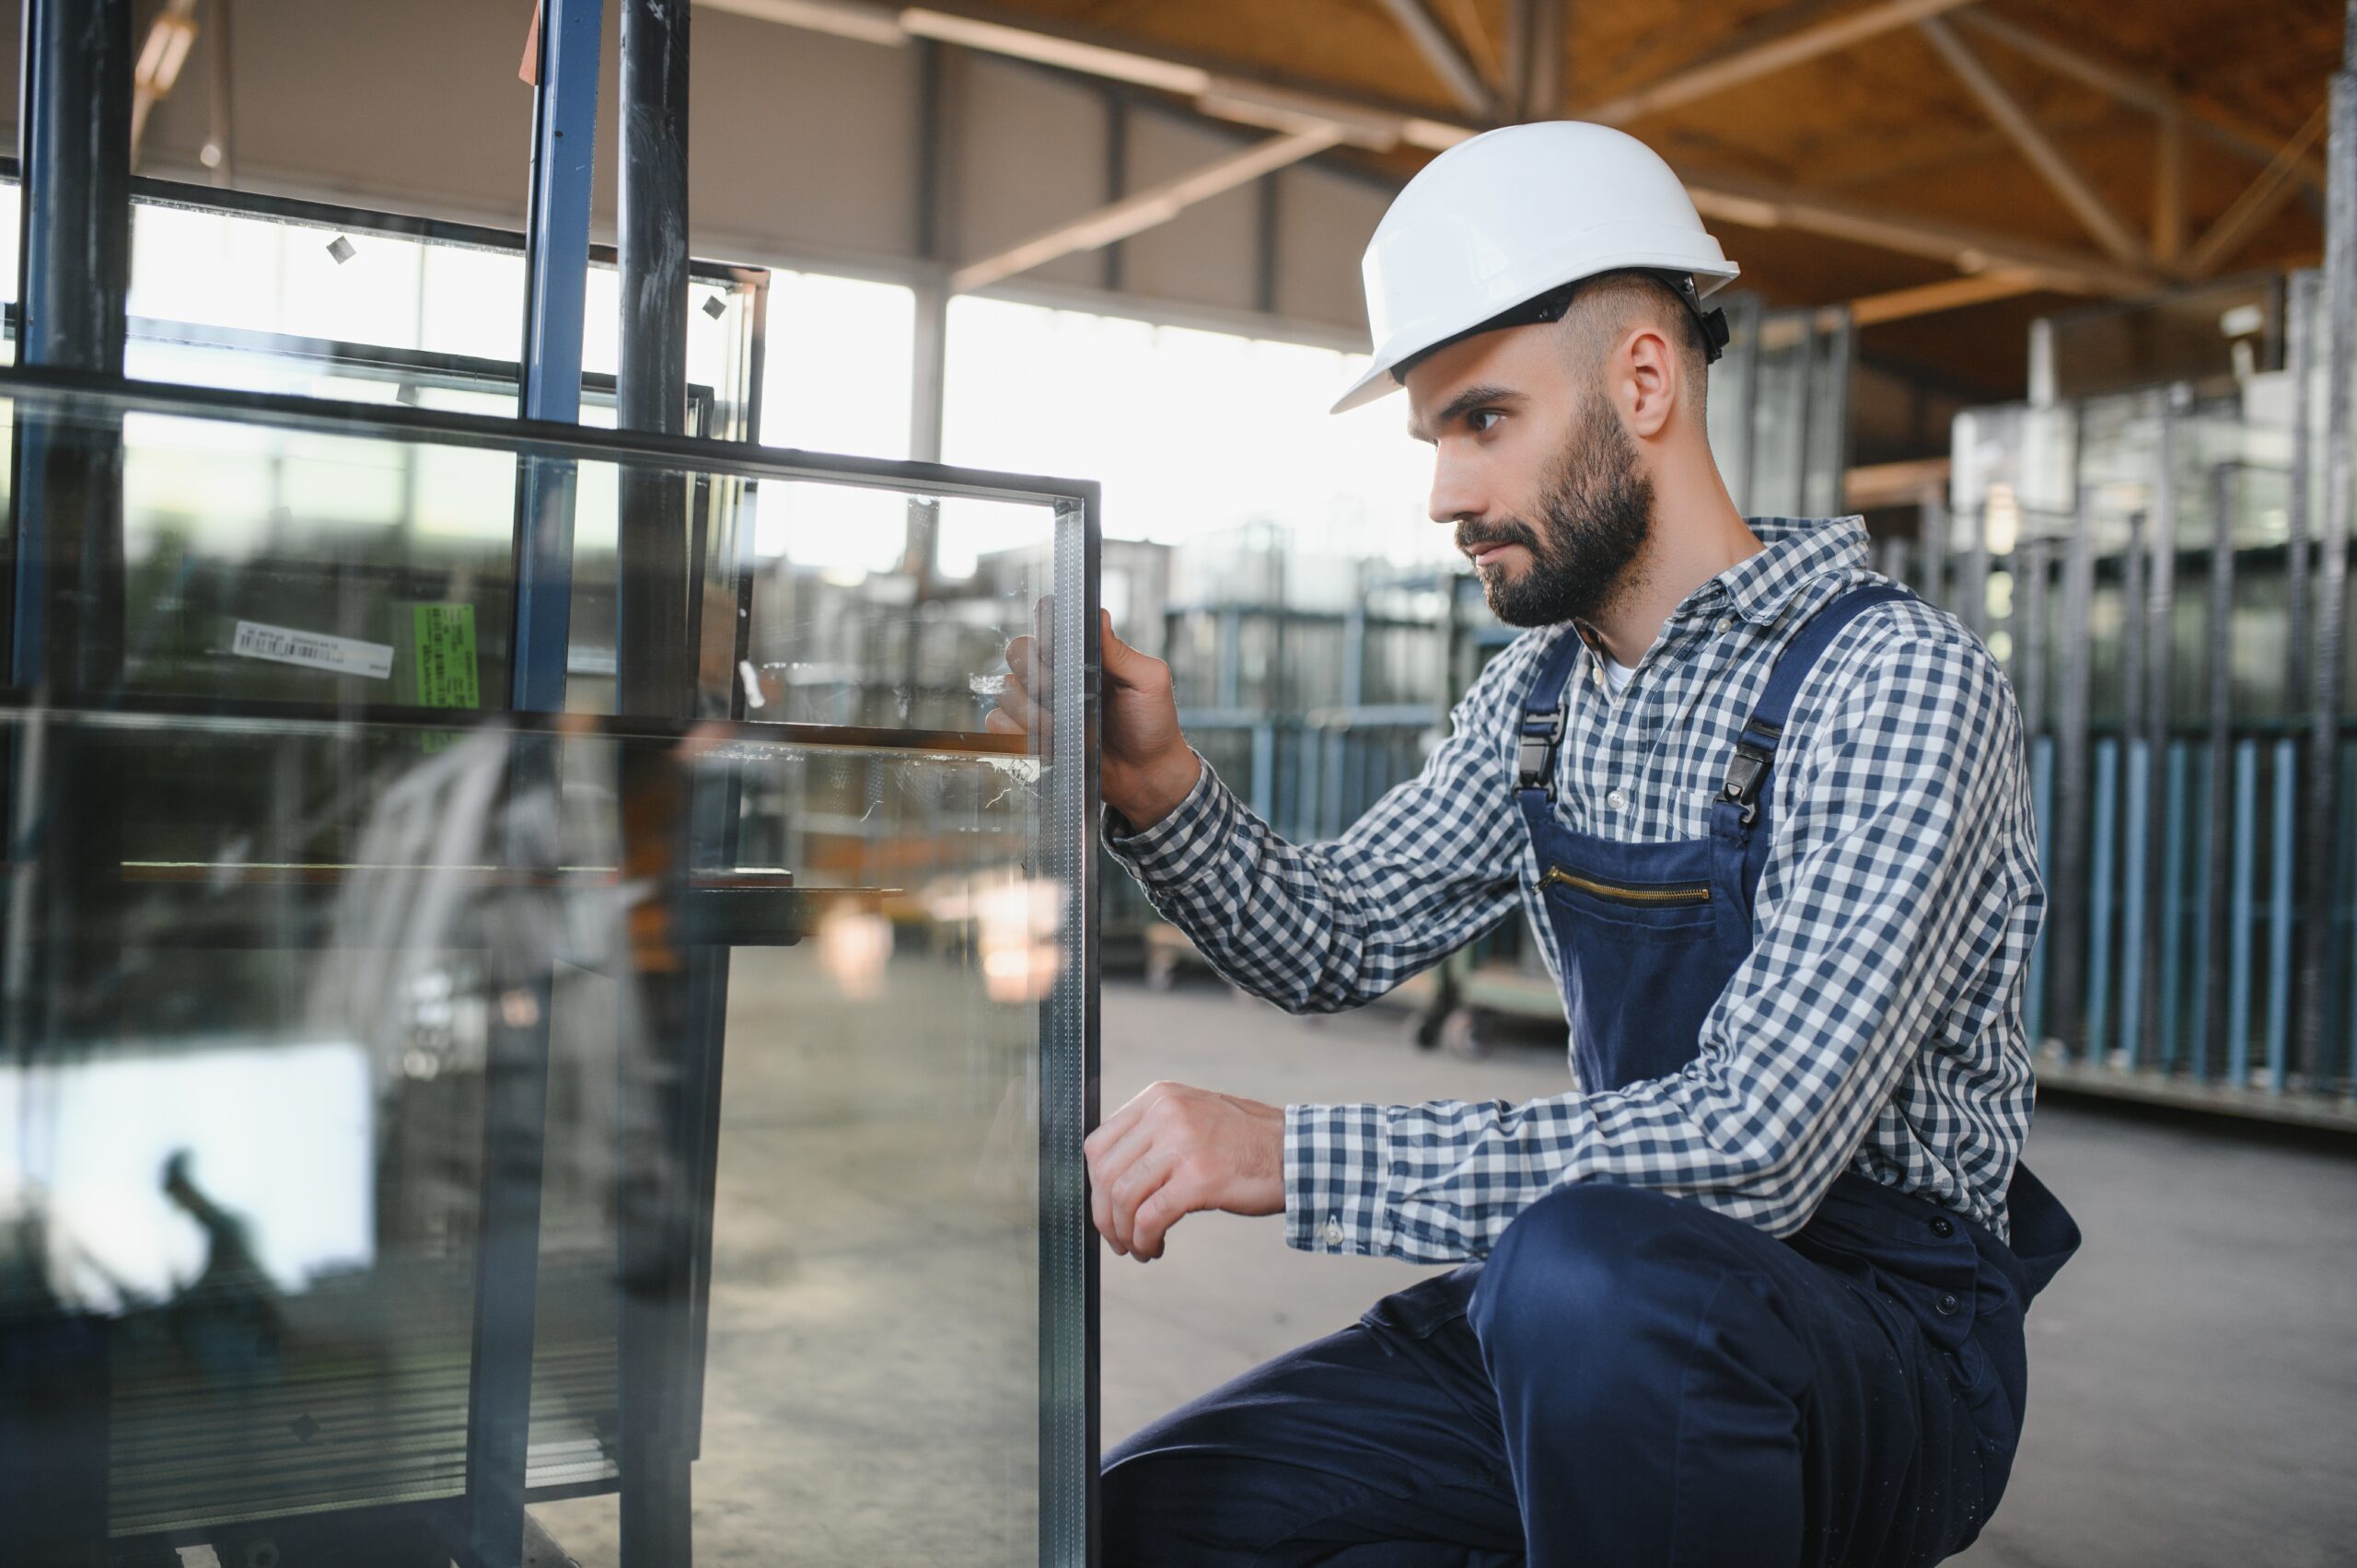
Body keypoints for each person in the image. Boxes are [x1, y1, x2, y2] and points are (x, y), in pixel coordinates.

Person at [989, 120, 2078, 1568]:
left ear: (1643, 380)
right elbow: (1337, 937)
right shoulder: (1542, 697)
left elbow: (1756, 1151)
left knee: (1586, 1274)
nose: (1443, 494)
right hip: (1598, 1301)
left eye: (1483, 420)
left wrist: (1287, 1151)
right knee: (1146, 1525)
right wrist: (1160, 786)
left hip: (1878, 1346)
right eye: (1434, 435)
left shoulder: (1895, 687)